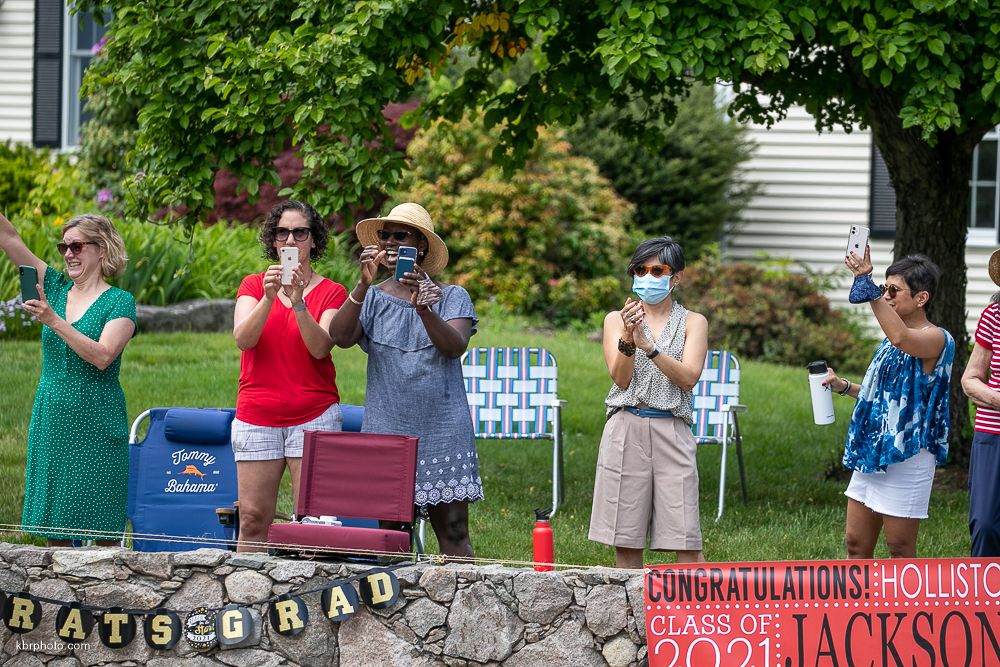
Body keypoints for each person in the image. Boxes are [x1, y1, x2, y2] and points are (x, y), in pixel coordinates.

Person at [329, 202, 483, 558]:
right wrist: (362, 284)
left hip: (443, 429)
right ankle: (399, 611)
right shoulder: (372, 296)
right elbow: (340, 336)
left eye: (402, 235)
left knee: (455, 530)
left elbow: (453, 347)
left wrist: (423, 308)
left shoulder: (452, 296)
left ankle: (460, 608)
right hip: (388, 429)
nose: (391, 242)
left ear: (422, 245)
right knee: (393, 536)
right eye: (385, 235)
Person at [0, 212, 136, 546]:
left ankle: (102, 598)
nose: (67, 254)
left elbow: (104, 356)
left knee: (102, 529)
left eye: (76, 246)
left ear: (101, 249)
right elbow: (10, 239)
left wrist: (54, 321)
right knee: (56, 529)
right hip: (54, 417)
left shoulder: (120, 302)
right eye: (64, 247)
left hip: (97, 419)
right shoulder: (56, 288)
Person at [232, 200, 347, 552]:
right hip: (257, 415)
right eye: (283, 232)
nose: (291, 240)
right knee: (252, 518)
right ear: (273, 240)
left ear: (314, 240)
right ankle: (246, 598)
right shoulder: (254, 286)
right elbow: (243, 339)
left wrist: (298, 302)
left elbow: (320, 348)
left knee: (313, 525)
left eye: (300, 232)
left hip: (313, 414)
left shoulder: (332, 291)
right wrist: (271, 297)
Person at [825, 248, 954, 559]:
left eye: (893, 290)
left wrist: (866, 285)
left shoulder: (937, 339)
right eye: (883, 289)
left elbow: (902, 338)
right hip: (873, 449)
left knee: (900, 547)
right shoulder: (888, 342)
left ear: (921, 298)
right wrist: (843, 386)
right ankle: (857, 608)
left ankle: (906, 609)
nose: (886, 296)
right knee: (855, 544)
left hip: (908, 454)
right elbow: (883, 396)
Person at [588, 236, 708, 568]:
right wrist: (628, 336)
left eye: (658, 270)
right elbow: (621, 378)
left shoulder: (693, 322)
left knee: (686, 539)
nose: (648, 277)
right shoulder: (616, 319)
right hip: (626, 426)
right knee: (624, 537)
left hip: (672, 428)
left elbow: (688, 377)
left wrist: (651, 348)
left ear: (677, 277)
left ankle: (696, 616)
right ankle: (633, 614)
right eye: (641, 269)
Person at [961, 248, 1000, 557]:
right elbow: (970, 378)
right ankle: (986, 603)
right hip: (993, 434)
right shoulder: (994, 316)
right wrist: (996, 399)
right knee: (985, 524)